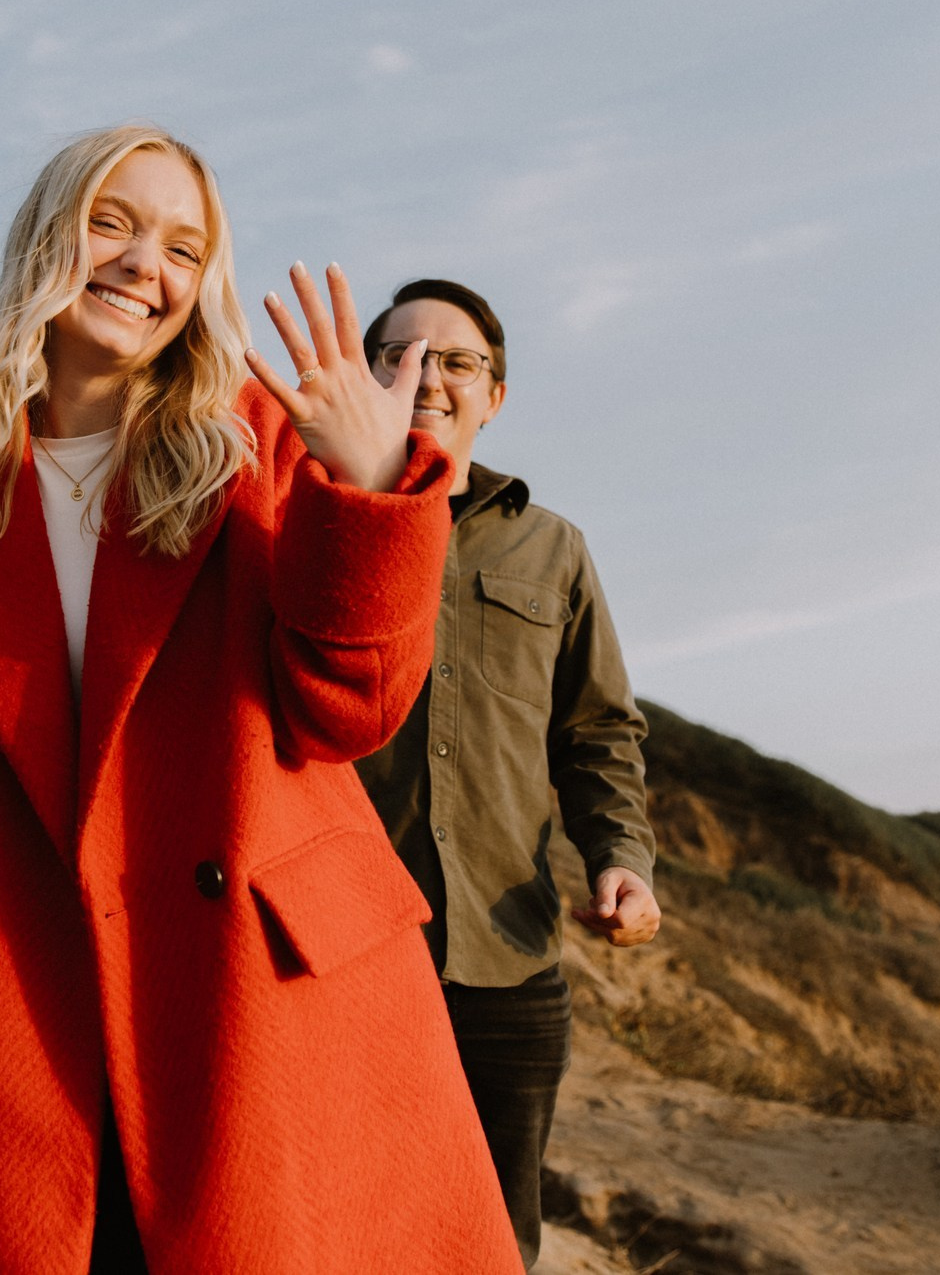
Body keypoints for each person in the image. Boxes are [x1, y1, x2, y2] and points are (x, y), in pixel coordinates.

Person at [0, 127, 521, 1275]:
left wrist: (371, 492)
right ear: (46, 237)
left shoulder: (250, 435)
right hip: (38, 1008)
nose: (147, 265)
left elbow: (350, 714)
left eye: (185, 247)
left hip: (270, 1002)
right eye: (113, 223)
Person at [354, 278, 660, 1270]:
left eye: (457, 360)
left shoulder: (552, 549)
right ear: (365, 380)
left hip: (508, 951)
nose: (428, 376)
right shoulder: (306, 525)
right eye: (401, 355)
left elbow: (597, 736)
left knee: (487, 1240)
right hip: (342, 951)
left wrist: (621, 860)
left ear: (495, 393)